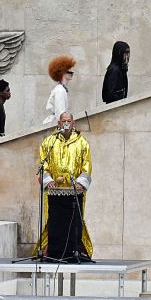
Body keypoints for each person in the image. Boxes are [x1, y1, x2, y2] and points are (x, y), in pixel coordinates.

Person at [33, 112, 93, 262]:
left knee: (75, 221)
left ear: (73, 123)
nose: (66, 124)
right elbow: (43, 164)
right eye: (63, 121)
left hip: (75, 191)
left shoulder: (82, 143)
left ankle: (75, 251)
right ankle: (53, 252)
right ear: (58, 123)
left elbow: (87, 165)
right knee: (54, 221)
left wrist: (81, 183)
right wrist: (48, 180)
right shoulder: (49, 142)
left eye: (69, 121)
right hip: (54, 192)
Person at [43, 55, 75, 125]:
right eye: (69, 70)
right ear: (62, 72)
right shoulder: (60, 90)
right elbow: (60, 114)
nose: (72, 73)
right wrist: (65, 128)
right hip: (57, 126)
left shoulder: (61, 89)